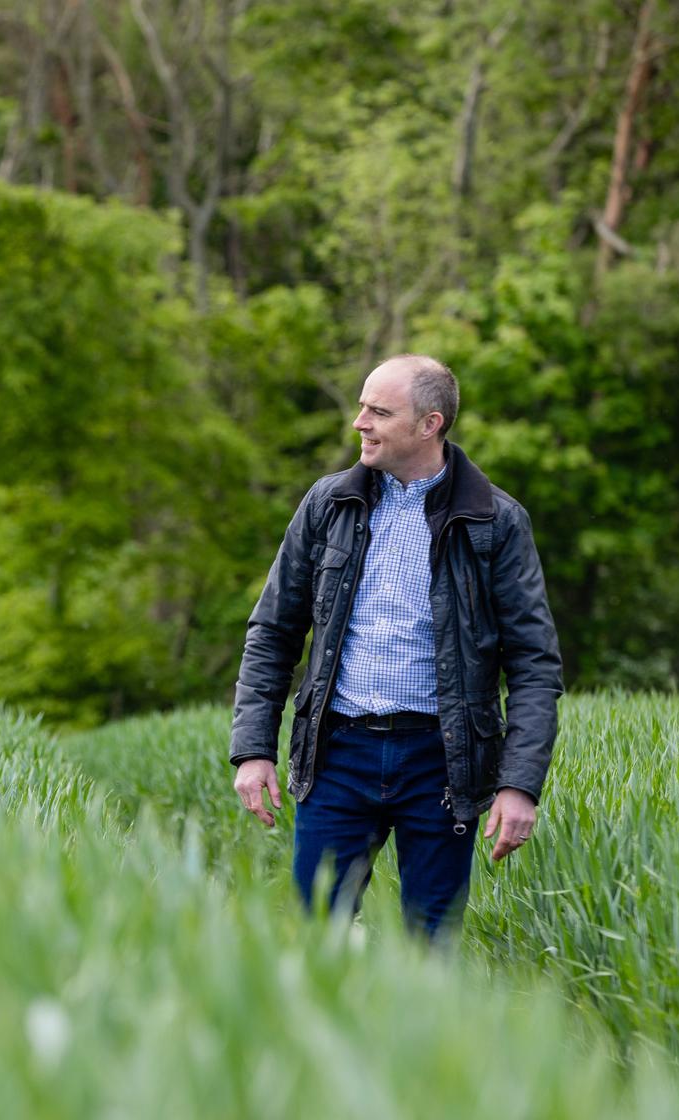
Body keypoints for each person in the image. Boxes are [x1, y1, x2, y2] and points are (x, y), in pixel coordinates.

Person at [228, 355, 560, 938]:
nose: (360, 422)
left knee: (429, 947)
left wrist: (518, 784)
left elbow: (534, 664)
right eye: (362, 406)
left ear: (429, 424)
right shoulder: (328, 504)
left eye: (379, 411)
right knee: (314, 937)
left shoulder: (496, 522)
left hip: (444, 763)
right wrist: (253, 749)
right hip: (337, 756)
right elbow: (273, 631)